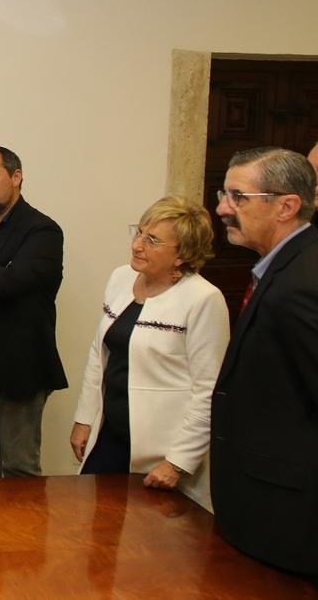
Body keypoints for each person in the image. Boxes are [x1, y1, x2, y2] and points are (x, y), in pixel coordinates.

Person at [70, 197, 229, 508]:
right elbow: (98, 353)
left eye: (152, 240)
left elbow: (208, 390)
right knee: (95, 527)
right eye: (139, 232)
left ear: (182, 254)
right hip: (109, 433)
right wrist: (85, 418)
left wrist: (178, 462)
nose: (137, 245)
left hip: (162, 449)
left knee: (148, 545)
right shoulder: (121, 278)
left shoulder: (203, 299)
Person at [211, 147, 318, 575]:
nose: (221, 208)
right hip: (260, 499)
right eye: (225, 193)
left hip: (287, 510)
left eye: (238, 197)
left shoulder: (302, 284)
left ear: (286, 206)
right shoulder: (282, 267)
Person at [0, 145, 67, 478]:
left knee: (20, 468)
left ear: (16, 177)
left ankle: (24, 533)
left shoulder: (42, 230)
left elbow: (10, 284)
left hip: (19, 367)